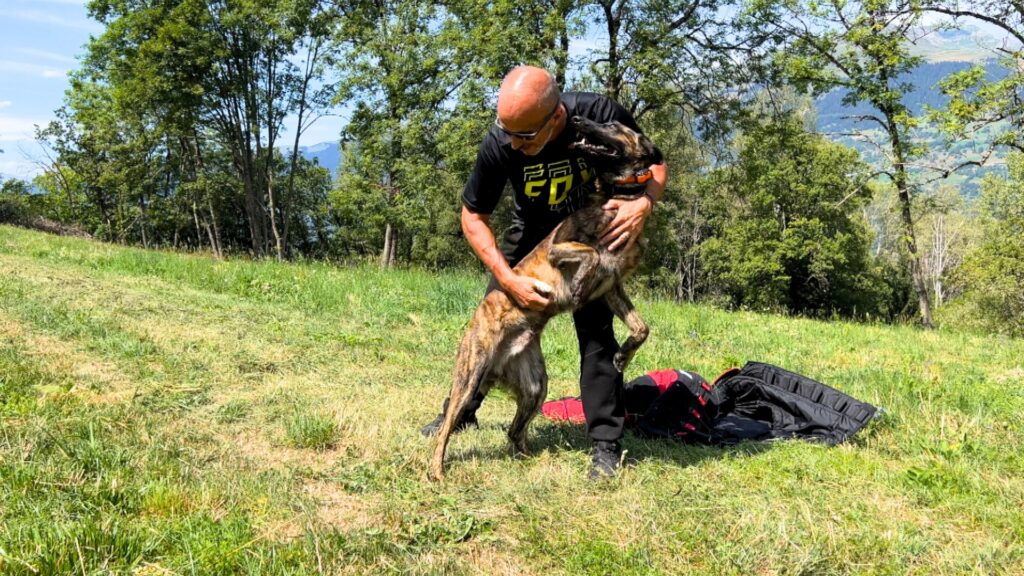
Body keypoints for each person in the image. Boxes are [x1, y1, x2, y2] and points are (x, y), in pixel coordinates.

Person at [421, 65, 668, 479]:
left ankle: (606, 444)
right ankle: (459, 414)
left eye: (525, 136)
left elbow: (653, 160)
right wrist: (508, 278)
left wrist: (645, 202)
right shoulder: (502, 139)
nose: (514, 143)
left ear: (556, 117)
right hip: (531, 237)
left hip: (590, 232)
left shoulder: (598, 114)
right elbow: (473, 216)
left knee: (597, 333)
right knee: (489, 329)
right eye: (509, 133)